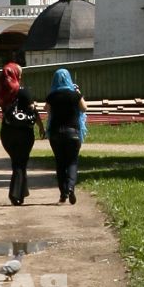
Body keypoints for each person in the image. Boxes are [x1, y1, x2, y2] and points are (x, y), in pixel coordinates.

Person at [0, 60, 39, 205]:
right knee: (20, 163)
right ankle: (15, 194)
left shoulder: (2, 92)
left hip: (7, 132)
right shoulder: (23, 91)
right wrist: (41, 126)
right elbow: (33, 110)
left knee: (17, 162)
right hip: (24, 132)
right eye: (20, 74)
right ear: (16, 75)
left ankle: (22, 191)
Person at [43, 67, 87, 204]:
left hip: (56, 134)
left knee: (60, 163)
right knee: (72, 161)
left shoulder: (52, 96)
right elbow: (84, 108)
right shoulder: (74, 95)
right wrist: (78, 93)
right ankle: (71, 188)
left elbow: (46, 109)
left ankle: (63, 194)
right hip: (73, 133)